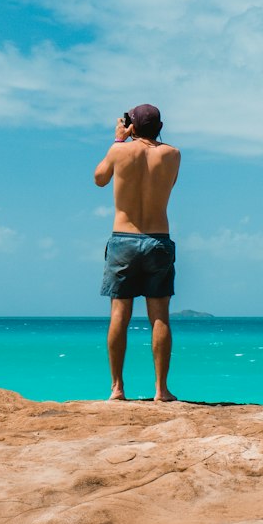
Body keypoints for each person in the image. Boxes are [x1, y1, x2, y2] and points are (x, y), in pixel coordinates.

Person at [94, 103, 181, 402]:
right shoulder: (172, 154)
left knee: (120, 315)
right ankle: (162, 390)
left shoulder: (119, 151)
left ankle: (117, 388)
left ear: (131, 125)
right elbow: (169, 183)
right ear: (159, 126)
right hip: (158, 239)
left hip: (124, 239)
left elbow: (99, 178)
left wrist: (119, 139)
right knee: (160, 317)